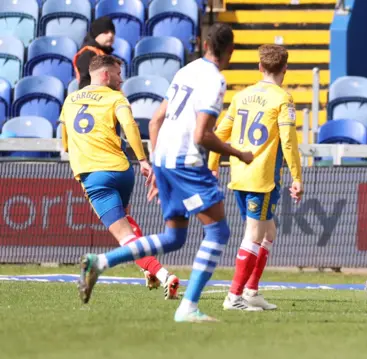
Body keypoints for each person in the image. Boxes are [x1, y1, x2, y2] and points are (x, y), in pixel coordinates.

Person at [76, 24, 254, 323]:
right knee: (218, 231)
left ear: (204, 44)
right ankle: (189, 307)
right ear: (230, 52)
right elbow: (201, 135)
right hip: (186, 161)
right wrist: (237, 152)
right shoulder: (214, 79)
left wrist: (158, 165)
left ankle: (100, 261)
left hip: (166, 159)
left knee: (174, 237)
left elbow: (156, 120)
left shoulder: (186, 71)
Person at [59, 55, 179, 300]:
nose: (121, 79)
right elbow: (130, 126)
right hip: (123, 171)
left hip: (95, 177)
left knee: (125, 237)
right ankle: (149, 270)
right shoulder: (116, 98)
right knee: (128, 225)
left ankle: (165, 275)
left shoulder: (70, 100)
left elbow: (66, 142)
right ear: (105, 75)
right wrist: (143, 160)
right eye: (117, 73)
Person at [209, 44, 303, 311]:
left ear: (260, 67)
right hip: (262, 177)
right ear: (285, 69)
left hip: (239, 174)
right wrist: (297, 177)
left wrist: (213, 164)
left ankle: (251, 291)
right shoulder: (283, 99)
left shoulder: (242, 96)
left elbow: (220, 132)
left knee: (268, 231)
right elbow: (289, 142)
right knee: (254, 234)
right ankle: (234, 297)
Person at [73, 16, 116, 89]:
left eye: (112, 32)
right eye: (105, 32)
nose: (110, 35)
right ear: (96, 35)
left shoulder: (103, 53)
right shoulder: (89, 54)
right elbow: (86, 83)